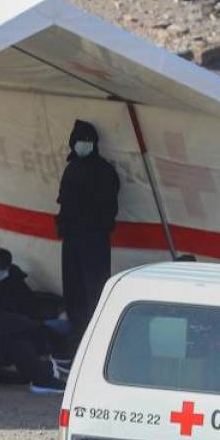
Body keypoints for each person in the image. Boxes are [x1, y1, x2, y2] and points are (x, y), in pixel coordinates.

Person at [55, 120, 120, 349]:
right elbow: (64, 202)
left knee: (94, 287)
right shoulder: (72, 168)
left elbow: (108, 207)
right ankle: (77, 333)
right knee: (73, 287)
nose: (83, 145)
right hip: (72, 238)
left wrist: (93, 227)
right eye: (80, 141)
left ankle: (95, 336)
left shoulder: (104, 171)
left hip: (93, 239)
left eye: (87, 141)